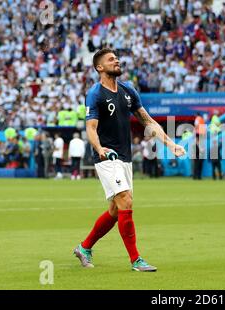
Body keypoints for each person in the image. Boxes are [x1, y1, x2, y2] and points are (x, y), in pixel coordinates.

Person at [74, 48, 185, 272]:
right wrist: (99, 148)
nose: (116, 60)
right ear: (99, 67)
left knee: (116, 211)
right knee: (126, 200)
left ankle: (84, 247)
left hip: (124, 158)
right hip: (107, 156)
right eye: (110, 59)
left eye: (116, 58)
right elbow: (91, 128)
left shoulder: (128, 91)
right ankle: (136, 260)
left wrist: (170, 143)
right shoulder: (95, 94)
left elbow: (148, 121)